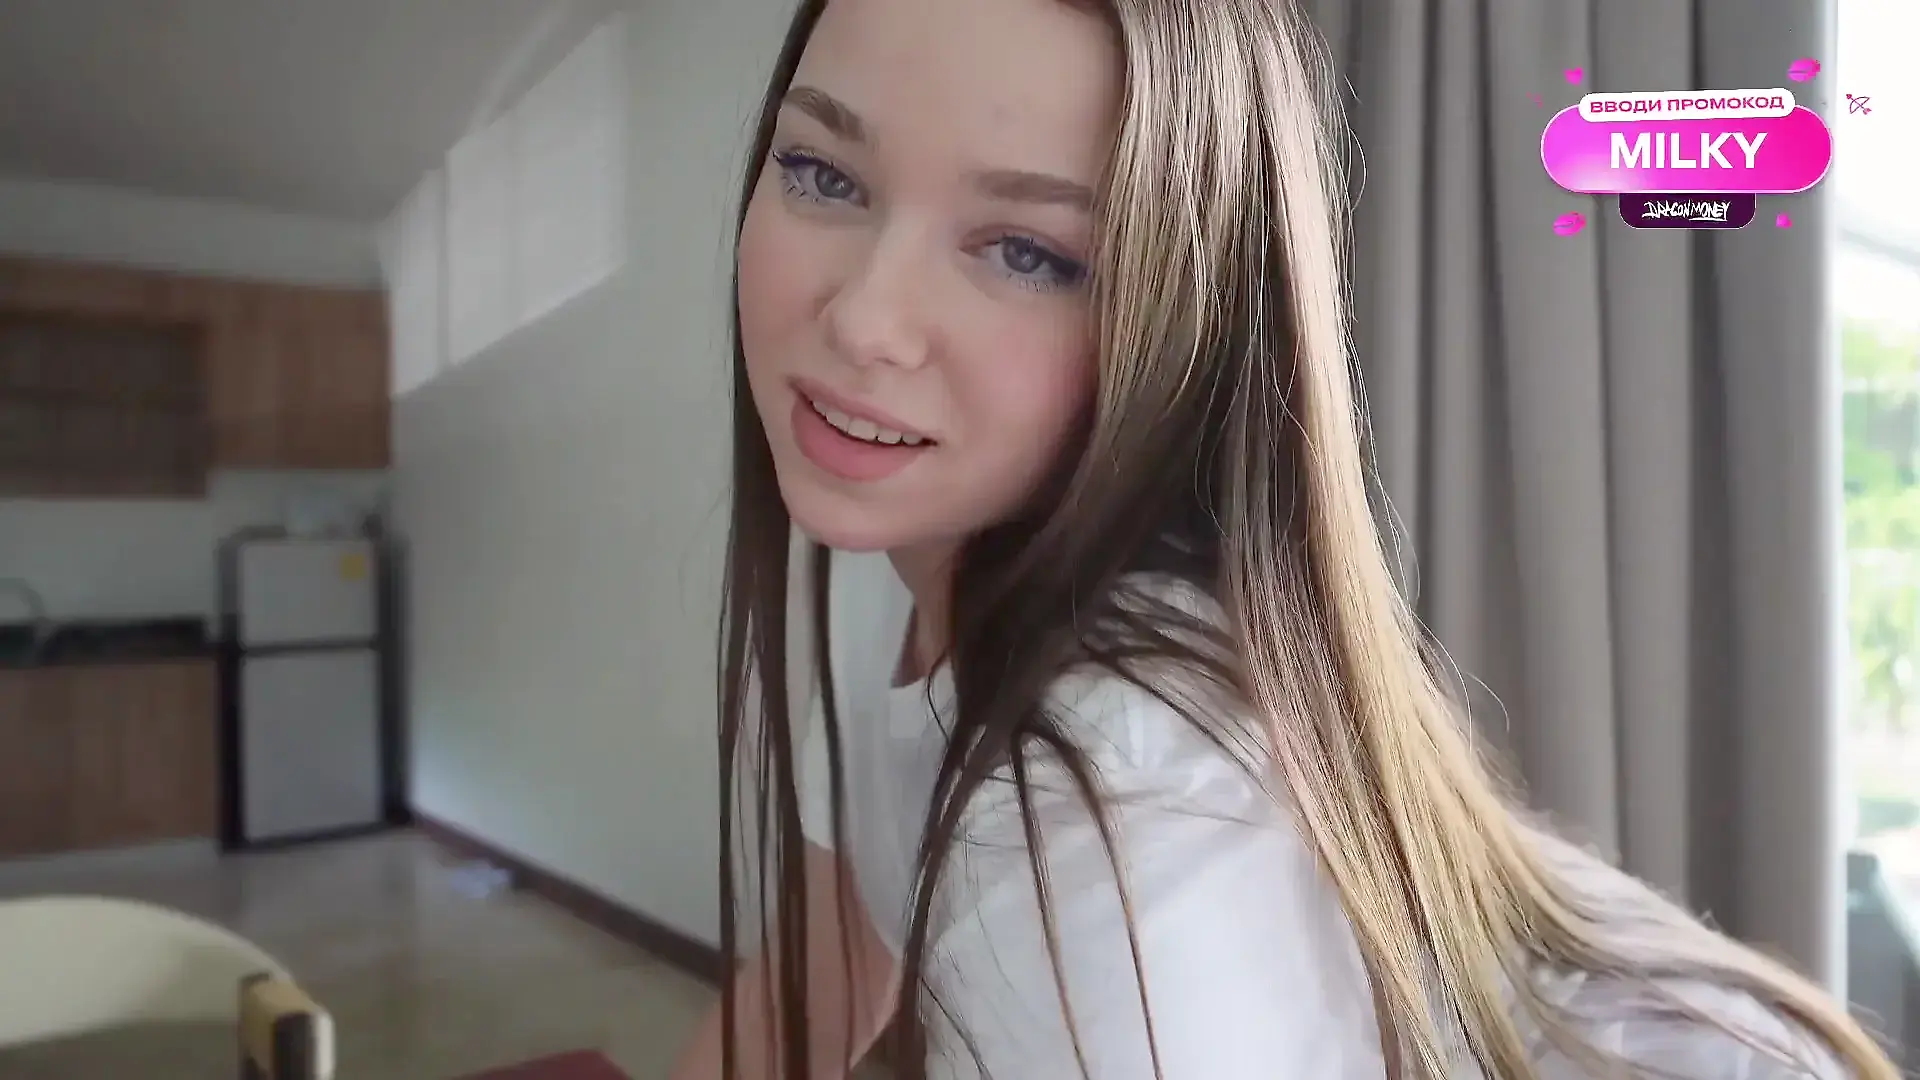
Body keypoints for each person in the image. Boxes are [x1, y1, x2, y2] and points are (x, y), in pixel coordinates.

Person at [669, 0, 1901, 1077]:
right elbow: (837, 945)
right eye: (823, 175)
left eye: (1030, 253)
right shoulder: (922, 542)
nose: (867, 319)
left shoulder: (1120, 829)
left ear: (1185, 327)